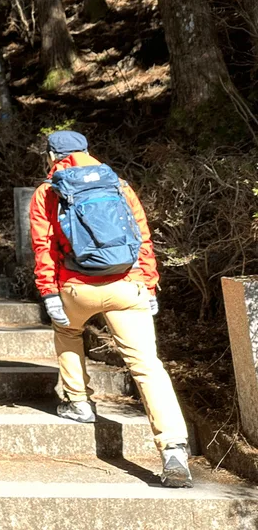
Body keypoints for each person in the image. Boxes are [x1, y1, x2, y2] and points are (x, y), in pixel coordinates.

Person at [29, 130, 192, 488]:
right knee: (147, 366)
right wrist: (148, 284)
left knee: (69, 331)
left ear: (52, 155)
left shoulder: (47, 191)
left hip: (76, 288)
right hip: (126, 285)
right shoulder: (119, 184)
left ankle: (78, 402)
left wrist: (49, 294)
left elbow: (43, 247)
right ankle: (173, 448)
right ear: (88, 151)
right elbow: (142, 237)